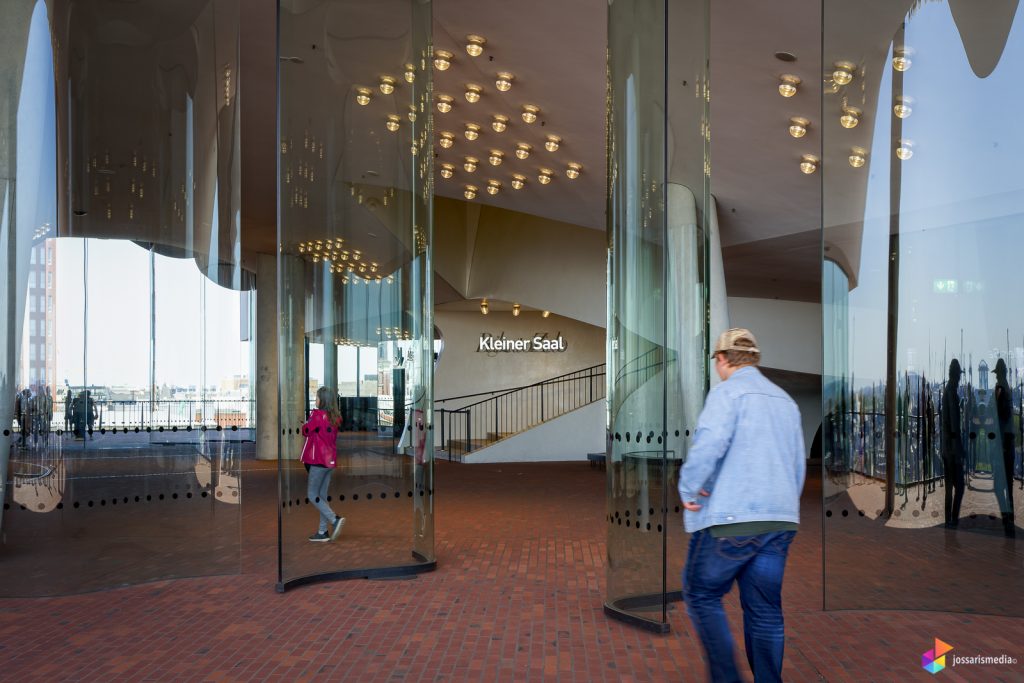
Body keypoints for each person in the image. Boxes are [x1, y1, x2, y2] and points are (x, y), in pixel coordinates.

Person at [678, 328, 805, 683]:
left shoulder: (727, 394)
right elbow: (797, 463)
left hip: (732, 522)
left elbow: (707, 448)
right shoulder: (785, 400)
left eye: (716, 361)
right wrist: (782, 507)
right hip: (779, 522)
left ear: (721, 359)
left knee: (701, 593)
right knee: (764, 610)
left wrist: (689, 490)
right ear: (753, 358)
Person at [300, 386, 345, 543]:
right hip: (329, 461)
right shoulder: (335, 417)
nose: (315, 399)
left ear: (323, 400)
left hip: (318, 461)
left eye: (317, 397)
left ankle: (334, 519)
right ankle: (322, 531)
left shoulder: (317, 416)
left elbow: (305, 431)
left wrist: (306, 423)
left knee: (312, 495)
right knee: (322, 497)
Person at [940, 359, 966, 529]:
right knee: (959, 487)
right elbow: (955, 424)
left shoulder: (947, 391)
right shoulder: (952, 393)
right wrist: (960, 448)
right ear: (956, 375)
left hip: (946, 446)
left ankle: (949, 518)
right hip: (952, 448)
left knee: (950, 486)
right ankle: (952, 519)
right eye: (959, 375)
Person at [992, 358, 1016, 537]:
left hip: (1003, 444)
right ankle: (1010, 516)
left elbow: (999, 416)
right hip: (1009, 441)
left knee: (999, 485)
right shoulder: (1008, 388)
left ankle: (1007, 517)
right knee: (1007, 483)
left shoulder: (1000, 389)